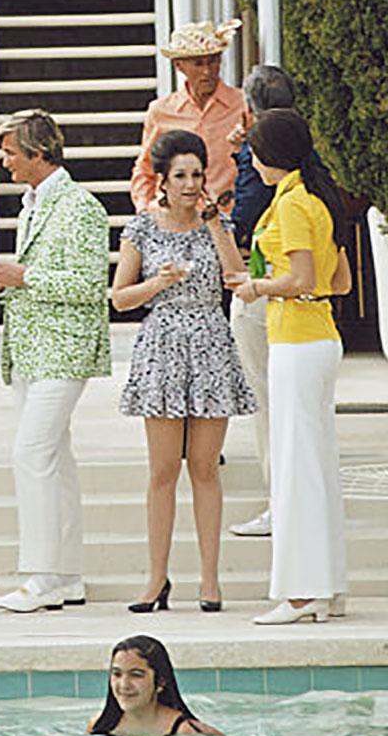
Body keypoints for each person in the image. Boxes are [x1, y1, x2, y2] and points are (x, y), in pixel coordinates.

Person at [111, 129, 255, 613]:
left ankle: (210, 581)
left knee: (205, 467)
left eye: (198, 174)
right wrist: (158, 282)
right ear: (163, 181)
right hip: (163, 348)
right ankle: (156, 580)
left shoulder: (218, 223)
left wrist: (216, 225)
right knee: (162, 471)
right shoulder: (141, 228)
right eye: (182, 176)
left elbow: (237, 279)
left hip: (211, 345)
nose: (192, 184)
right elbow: (119, 297)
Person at [0, 110, 110, 614]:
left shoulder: (81, 208)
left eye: (10, 152)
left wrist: (22, 276)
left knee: (30, 455)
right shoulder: (32, 203)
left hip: (65, 353)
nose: (4, 161)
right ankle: (69, 576)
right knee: (56, 462)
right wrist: (8, 281)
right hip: (33, 351)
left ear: (38, 154)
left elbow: (86, 286)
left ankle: (40, 578)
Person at [231, 108, 353, 625]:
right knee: (313, 466)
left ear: (271, 154)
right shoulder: (314, 199)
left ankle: (303, 594)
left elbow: (303, 278)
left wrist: (259, 286)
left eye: (253, 152)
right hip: (316, 339)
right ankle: (326, 589)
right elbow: (339, 281)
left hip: (298, 343)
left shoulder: (294, 206)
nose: (250, 161)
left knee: (296, 468)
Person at [228, 63, 299, 539]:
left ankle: (282, 502)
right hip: (306, 308)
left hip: (266, 291)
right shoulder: (306, 150)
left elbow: (245, 218)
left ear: (251, 111)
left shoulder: (266, 164)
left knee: (270, 405)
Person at [130, 20, 249, 214]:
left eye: (213, 61)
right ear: (179, 66)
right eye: (198, 63)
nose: (207, 71)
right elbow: (145, 169)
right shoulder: (160, 111)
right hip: (176, 222)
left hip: (230, 220)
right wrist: (145, 212)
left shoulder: (242, 105)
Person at [87, 635, 224, 736]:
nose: (124, 684)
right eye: (117, 674)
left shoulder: (184, 731)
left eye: (136, 675)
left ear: (160, 683)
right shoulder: (100, 725)